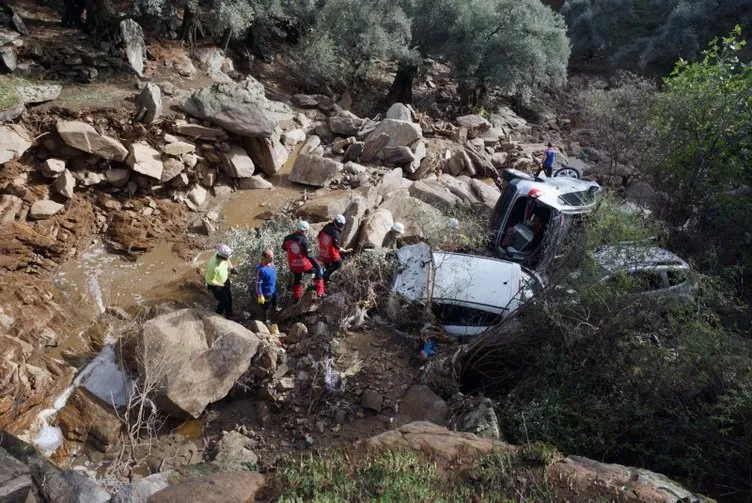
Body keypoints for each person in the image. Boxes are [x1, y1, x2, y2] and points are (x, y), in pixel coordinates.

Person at [282, 220, 325, 301]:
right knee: (319, 268)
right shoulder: (303, 240)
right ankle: (320, 292)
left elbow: (284, 248)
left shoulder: (287, 238)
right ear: (305, 231)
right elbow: (308, 255)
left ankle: (297, 296)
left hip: (293, 265)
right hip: (304, 265)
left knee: (297, 278)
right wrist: (316, 264)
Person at [318, 214, 351, 284]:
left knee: (328, 265)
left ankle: (325, 280)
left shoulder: (327, 226)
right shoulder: (335, 232)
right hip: (331, 253)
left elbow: (319, 236)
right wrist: (344, 250)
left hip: (323, 251)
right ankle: (325, 276)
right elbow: (336, 245)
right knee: (338, 263)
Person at [205, 244, 234, 317]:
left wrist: (231, 268)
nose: (228, 258)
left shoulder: (220, 254)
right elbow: (210, 281)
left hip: (224, 281)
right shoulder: (213, 267)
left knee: (229, 297)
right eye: (227, 257)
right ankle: (218, 315)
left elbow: (228, 260)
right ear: (223, 257)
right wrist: (222, 285)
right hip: (215, 285)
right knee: (224, 300)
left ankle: (229, 313)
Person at [255, 248, 278, 322]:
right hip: (266, 293)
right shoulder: (260, 270)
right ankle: (265, 321)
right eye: (270, 258)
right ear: (264, 258)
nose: (272, 259)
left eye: (272, 257)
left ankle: (274, 313)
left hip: (273, 290)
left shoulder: (271, 263)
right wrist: (260, 295)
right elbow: (258, 284)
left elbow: (271, 258)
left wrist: (271, 250)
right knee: (266, 308)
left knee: (275, 301)